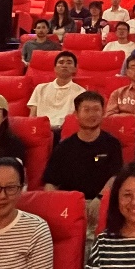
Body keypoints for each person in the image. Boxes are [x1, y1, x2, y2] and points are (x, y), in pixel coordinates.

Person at [44, 91, 124, 235]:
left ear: (103, 112)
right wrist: (58, 206)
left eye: (96, 109)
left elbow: (116, 176)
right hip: (70, 205)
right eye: (86, 110)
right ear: (76, 114)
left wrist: (100, 199)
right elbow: (50, 183)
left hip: (100, 202)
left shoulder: (112, 144)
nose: (92, 114)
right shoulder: (64, 147)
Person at [26, 51, 86, 128]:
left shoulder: (81, 92)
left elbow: (75, 119)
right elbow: (32, 116)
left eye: (69, 63)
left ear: (75, 69)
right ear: (55, 68)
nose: (64, 65)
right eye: (61, 62)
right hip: (41, 129)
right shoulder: (40, 88)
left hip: (64, 130)